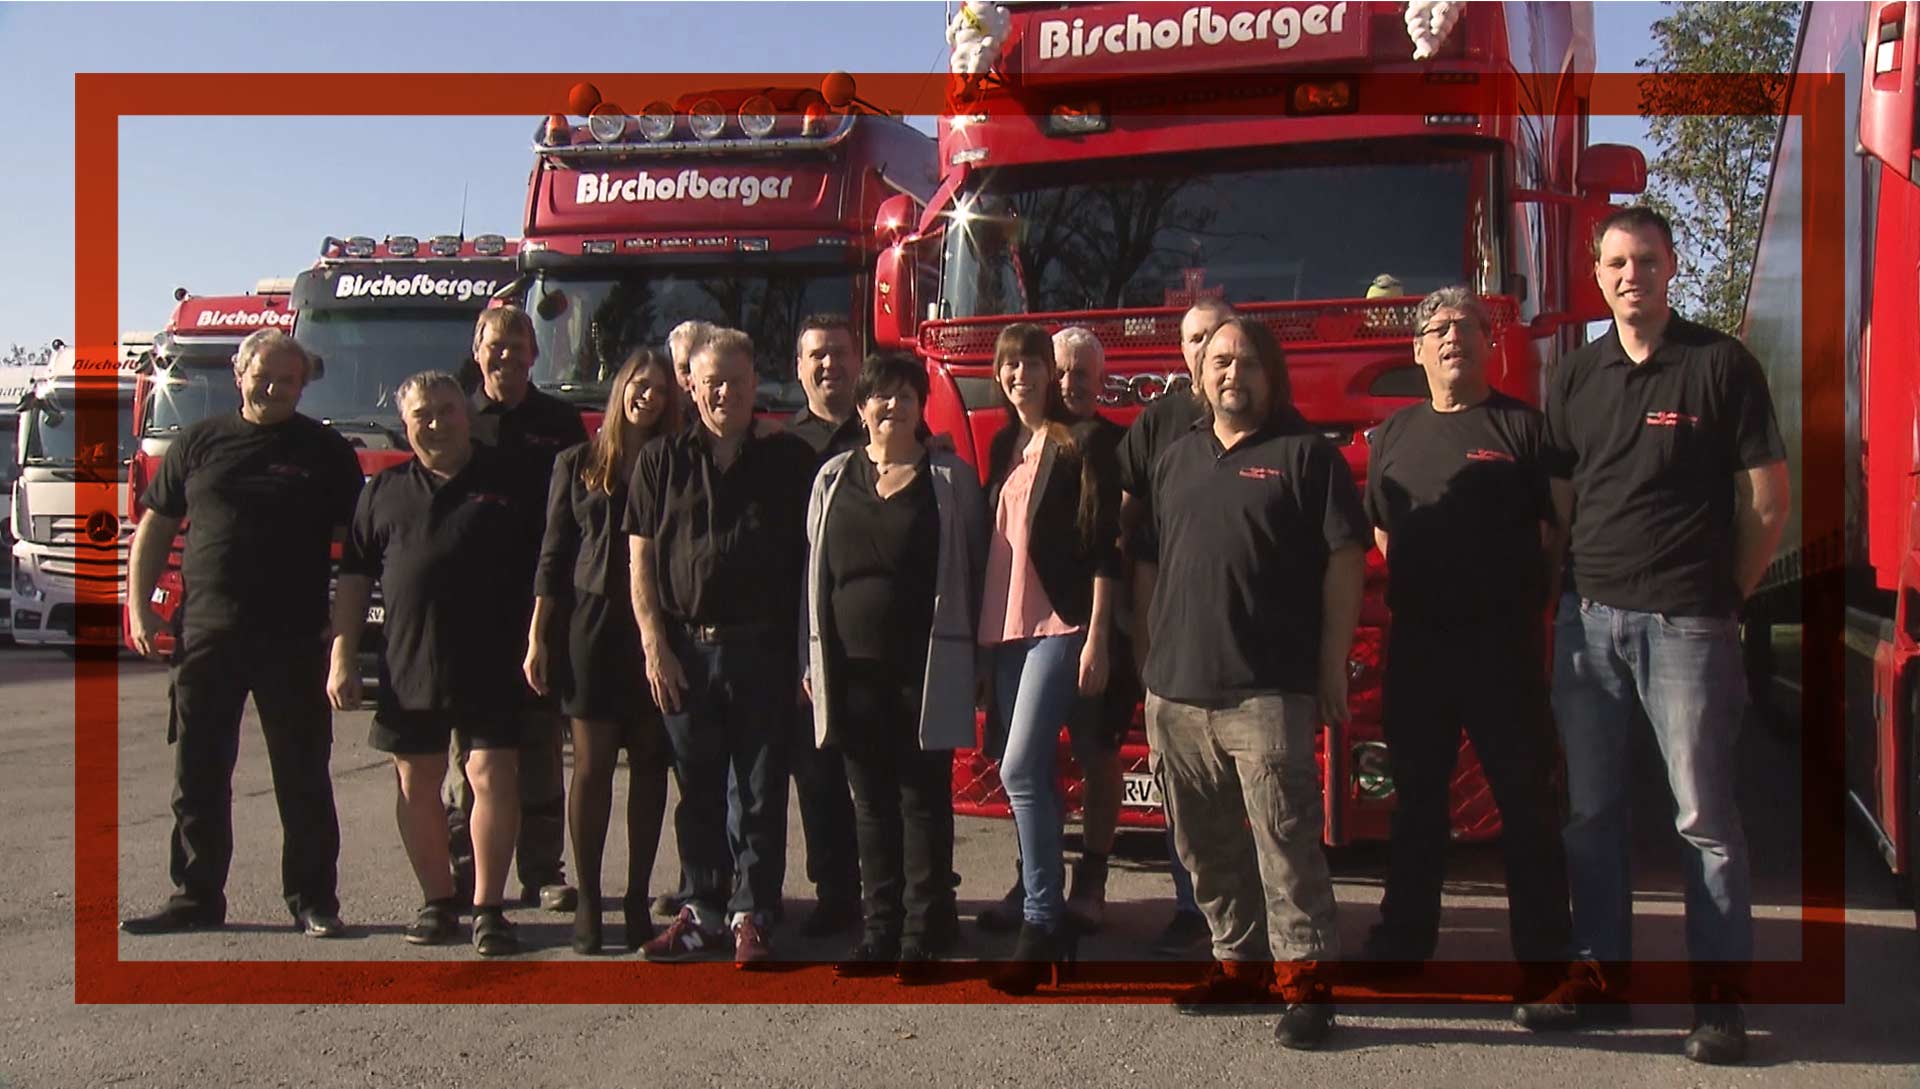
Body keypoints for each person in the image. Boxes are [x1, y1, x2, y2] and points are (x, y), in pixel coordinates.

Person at [1543, 207, 1790, 1065]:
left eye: (1644, 259)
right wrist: (1566, 593)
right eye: (1614, 262)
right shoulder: (1576, 375)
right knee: (1592, 813)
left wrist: (1725, 595)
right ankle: (1602, 982)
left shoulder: (1720, 365)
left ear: (1671, 266)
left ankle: (1718, 1005)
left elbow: (1767, 499)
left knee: (1703, 818)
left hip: (1689, 624)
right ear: (1596, 273)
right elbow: (1562, 504)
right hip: (1589, 625)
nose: (1628, 275)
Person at [1140, 316, 1364, 1049]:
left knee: (1286, 842)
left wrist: (1331, 663)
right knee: (1203, 845)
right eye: (1219, 359)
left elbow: (1344, 561)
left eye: (1248, 362)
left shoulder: (1307, 458)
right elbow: (1149, 559)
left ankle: (1306, 985)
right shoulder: (1175, 459)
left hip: (1266, 691)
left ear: (1273, 377)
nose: (1232, 371)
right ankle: (1237, 962)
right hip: (1175, 692)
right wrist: (1150, 656)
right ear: (1200, 376)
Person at [1360, 287, 1577, 1020]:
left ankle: (1545, 963)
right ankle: (1403, 945)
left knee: (1526, 803)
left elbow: (1555, 539)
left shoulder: (1526, 429)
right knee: (1416, 805)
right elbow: (1387, 536)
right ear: (1417, 350)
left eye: (1467, 327)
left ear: (1490, 346)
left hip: (1503, 649)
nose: (1453, 337)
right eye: (1438, 328)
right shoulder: (1391, 436)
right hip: (1420, 648)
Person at [121, 329, 362, 939]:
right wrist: (140, 607)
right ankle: (195, 896)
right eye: (266, 376)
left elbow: (363, 546)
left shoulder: (325, 451)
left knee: (303, 774)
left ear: (304, 384)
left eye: (290, 379)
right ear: (239, 373)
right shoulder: (198, 443)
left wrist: (343, 640)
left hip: (294, 638)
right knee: (198, 773)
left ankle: (313, 899)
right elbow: (156, 525)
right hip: (208, 634)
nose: (276, 387)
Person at [329, 371, 548, 957]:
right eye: (423, 413)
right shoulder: (383, 490)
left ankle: (488, 908)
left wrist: (540, 640)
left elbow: (545, 572)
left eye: (447, 410)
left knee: (490, 777)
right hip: (409, 660)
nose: (436, 422)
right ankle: (438, 900)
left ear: (465, 414)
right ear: (406, 423)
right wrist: (342, 653)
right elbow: (354, 577)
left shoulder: (511, 480)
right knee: (416, 783)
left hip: (493, 659)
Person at [627, 327, 818, 967]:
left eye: (736, 382)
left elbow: (809, 563)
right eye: (712, 383)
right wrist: (655, 644)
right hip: (687, 651)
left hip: (762, 652)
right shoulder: (661, 462)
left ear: (754, 385)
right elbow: (641, 559)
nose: (724, 394)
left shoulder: (787, 462)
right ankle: (701, 911)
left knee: (762, 790)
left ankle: (753, 914)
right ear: (692, 385)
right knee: (699, 789)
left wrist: (803, 657)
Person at [803, 352, 988, 979]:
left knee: (922, 799)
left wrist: (981, 661)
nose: (893, 406)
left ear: (920, 407)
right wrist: (810, 658)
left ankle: (924, 931)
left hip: (926, 668)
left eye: (906, 396)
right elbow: (814, 573)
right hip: (851, 671)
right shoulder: (832, 478)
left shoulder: (951, 481)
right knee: (869, 803)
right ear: (862, 409)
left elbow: (976, 566)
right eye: (881, 397)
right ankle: (878, 931)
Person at [1088, 297, 1237, 957]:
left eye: (1215, 336)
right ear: (1182, 352)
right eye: (1194, 338)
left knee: (1246, 786)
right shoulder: (1160, 422)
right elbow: (1128, 523)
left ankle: (1251, 917)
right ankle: (1190, 904)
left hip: (1244, 635)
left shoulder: (1258, 412)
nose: (1204, 348)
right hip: (1170, 629)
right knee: (1183, 782)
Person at [976, 322, 1121, 995]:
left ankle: (1042, 920)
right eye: (1009, 367)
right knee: (1023, 769)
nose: (1020, 377)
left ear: (1047, 374)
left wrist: (1096, 634)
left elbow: (1101, 548)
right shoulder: (1008, 444)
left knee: (1020, 767)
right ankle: (1043, 908)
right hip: (1007, 630)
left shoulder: (1084, 442)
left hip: (1060, 626)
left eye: (1031, 366)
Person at [524, 347, 679, 954]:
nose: (651, 397)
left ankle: (639, 900)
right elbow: (553, 556)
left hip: (655, 628)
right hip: (589, 625)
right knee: (591, 769)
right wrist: (539, 636)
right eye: (641, 385)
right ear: (621, 390)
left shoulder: (674, 461)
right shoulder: (578, 462)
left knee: (648, 764)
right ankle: (590, 903)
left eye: (662, 390)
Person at [446, 305, 586, 915]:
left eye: (516, 345)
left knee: (538, 743)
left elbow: (583, 510)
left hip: (541, 602)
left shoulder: (559, 423)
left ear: (536, 354)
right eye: (494, 345)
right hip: (470, 607)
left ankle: (541, 870)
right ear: (477, 352)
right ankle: (465, 869)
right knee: (469, 752)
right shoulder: (455, 418)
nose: (505, 355)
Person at [779, 314, 866, 937]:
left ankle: (904, 889)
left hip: (871, 631)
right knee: (817, 773)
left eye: (839, 353)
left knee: (884, 771)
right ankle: (834, 892)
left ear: (858, 362)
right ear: (799, 368)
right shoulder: (781, 451)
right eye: (817, 356)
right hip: (803, 634)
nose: (829, 364)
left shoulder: (885, 433)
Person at [1051, 326, 1133, 933]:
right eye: (1060, 371)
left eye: (1082, 373)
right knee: (1027, 761)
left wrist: (1100, 637)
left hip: (1099, 632)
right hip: (1029, 635)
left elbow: (1115, 547)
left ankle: (1094, 878)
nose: (1069, 383)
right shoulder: (1021, 441)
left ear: (1101, 381)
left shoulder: (1119, 446)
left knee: (1098, 755)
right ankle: (1036, 878)